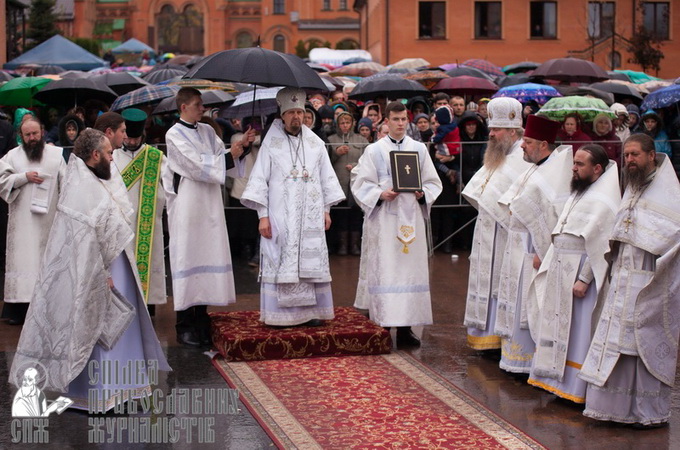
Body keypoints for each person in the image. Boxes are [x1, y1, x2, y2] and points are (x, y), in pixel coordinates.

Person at [10, 129, 170, 412]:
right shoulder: (81, 186)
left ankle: (127, 389)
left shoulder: (99, 178)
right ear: (95, 155)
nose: (112, 156)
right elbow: (83, 241)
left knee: (121, 325)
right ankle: (101, 394)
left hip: (118, 264)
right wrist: (101, 272)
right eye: (109, 153)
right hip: (97, 271)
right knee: (98, 327)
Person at [579, 134, 680, 427]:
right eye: (626, 156)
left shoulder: (669, 194)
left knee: (641, 347)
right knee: (616, 346)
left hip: (649, 282)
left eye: (635, 155)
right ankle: (615, 409)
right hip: (622, 279)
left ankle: (644, 413)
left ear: (652, 155)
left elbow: (671, 237)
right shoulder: (631, 189)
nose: (630, 161)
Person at [241, 87, 345, 327]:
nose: (297, 117)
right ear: (283, 116)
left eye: (301, 112)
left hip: (309, 217)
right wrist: (263, 216)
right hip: (280, 217)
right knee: (282, 260)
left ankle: (310, 313)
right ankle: (282, 316)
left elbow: (326, 178)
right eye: (292, 113)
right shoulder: (271, 144)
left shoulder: (315, 143)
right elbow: (259, 181)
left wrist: (326, 210)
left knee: (310, 261)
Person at [527, 144, 621, 403]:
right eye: (575, 163)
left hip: (580, 275)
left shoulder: (604, 201)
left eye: (580, 164)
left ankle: (576, 388)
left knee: (579, 332)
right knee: (558, 327)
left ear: (597, 169)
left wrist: (585, 279)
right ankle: (555, 380)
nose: (574, 167)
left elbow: (601, 245)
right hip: (561, 267)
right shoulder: (579, 192)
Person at [164, 87, 252, 347]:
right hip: (189, 204)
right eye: (198, 104)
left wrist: (242, 148)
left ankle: (202, 317)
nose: (203, 109)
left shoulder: (208, 130)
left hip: (209, 204)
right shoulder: (173, 135)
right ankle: (184, 324)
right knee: (188, 256)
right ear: (183, 107)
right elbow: (194, 165)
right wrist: (229, 155)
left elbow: (222, 159)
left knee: (207, 253)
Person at [351, 101, 442, 348]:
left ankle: (405, 330)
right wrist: (380, 195)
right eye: (395, 119)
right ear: (387, 122)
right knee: (387, 271)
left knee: (409, 273)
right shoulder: (374, 150)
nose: (400, 124)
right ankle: (382, 326)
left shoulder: (419, 149)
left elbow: (434, 182)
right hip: (385, 221)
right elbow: (360, 184)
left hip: (411, 219)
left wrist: (424, 193)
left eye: (404, 119)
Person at [495, 114, 573, 374]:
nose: (522, 146)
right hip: (518, 246)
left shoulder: (555, 172)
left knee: (531, 304)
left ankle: (527, 363)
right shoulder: (534, 167)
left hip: (534, 251)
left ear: (543, 144)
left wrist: (544, 251)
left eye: (527, 141)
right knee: (517, 302)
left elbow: (555, 215)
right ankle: (514, 360)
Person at [462, 97, 531, 351]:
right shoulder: (498, 155)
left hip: (506, 234)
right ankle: (485, 338)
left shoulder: (522, 158)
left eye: (496, 129)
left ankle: (500, 341)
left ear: (513, 131)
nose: (490, 134)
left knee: (502, 285)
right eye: (490, 128)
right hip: (488, 229)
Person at [0, 117, 66, 325]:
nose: (32, 138)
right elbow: (2, 180)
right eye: (27, 135)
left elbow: (67, 184)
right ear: (21, 136)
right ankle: (19, 311)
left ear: (43, 132)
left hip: (50, 221)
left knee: (46, 265)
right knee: (24, 264)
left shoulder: (56, 155)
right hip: (22, 224)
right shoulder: (12, 156)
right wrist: (23, 177)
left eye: (35, 134)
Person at [113, 108, 168, 308]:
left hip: (147, 224)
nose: (132, 142)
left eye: (136, 139)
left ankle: (149, 306)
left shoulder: (155, 157)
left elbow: (169, 187)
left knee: (148, 262)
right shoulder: (113, 158)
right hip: (121, 223)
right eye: (129, 138)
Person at [327, 111, 367, 256]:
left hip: (357, 185)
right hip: (339, 184)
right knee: (341, 217)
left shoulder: (361, 140)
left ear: (352, 124)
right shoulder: (330, 139)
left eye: (347, 122)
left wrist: (356, 165)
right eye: (342, 123)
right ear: (337, 124)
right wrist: (336, 152)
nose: (345, 126)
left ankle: (355, 245)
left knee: (356, 215)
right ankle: (342, 245)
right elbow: (325, 162)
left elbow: (369, 161)